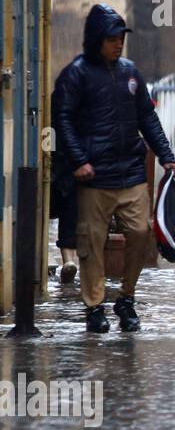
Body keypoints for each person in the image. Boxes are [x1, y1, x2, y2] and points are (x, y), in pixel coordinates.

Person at [53, 3, 175, 333]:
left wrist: (166, 154)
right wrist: (79, 160)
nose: (118, 43)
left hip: (131, 170)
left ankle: (126, 296)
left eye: (121, 38)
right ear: (97, 39)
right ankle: (94, 306)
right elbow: (62, 119)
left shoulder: (130, 72)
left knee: (140, 233)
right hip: (94, 177)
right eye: (112, 38)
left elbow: (147, 116)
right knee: (91, 244)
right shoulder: (76, 74)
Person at [49, 84, 79, 285]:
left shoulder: (53, 120)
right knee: (73, 216)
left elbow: (47, 141)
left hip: (62, 171)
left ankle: (69, 261)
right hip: (73, 172)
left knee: (66, 216)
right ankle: (70, 261)